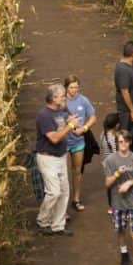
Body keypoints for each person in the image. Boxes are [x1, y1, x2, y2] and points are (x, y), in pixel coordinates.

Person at [103, 129, 133, 265]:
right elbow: (107, 183)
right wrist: (117, 174)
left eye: (126, 141)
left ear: (129, 142)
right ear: (117, 143)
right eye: (120, 141)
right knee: (120, 230)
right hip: (118, 202)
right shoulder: (110, 161)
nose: (123, 144)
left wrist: (130, 182)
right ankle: (124, 253)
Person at [35, 82, 77, 236]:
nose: (64, 98)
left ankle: (58, 225)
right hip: (48, 158)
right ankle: (43, 220)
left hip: (60, 156)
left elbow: (64, 123)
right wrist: (70, 126)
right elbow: (54, 138)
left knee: (64, 191)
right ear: (53, 98)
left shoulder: (60, 111)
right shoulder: (44, 115)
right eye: (61, 96)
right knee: (53, 192)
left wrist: (69, 120)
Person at [63, 75, 96, 212]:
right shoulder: (61, 101)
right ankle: (63, 203)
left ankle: (76, 199)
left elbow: (93, 117)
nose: (74, 90)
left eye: (76, 87)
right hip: (64, 142)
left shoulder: (83, 100)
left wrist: (84, 128)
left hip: (78, 142)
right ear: (66, 87)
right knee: (63, 173)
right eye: (71, 87)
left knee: (77, 171)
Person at [114, 40, 133, 156]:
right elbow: (124, 92)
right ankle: (127, 161)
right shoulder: (123, 70)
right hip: (128, 112)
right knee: (128, 136)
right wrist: (132, 111)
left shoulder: (128, 64)